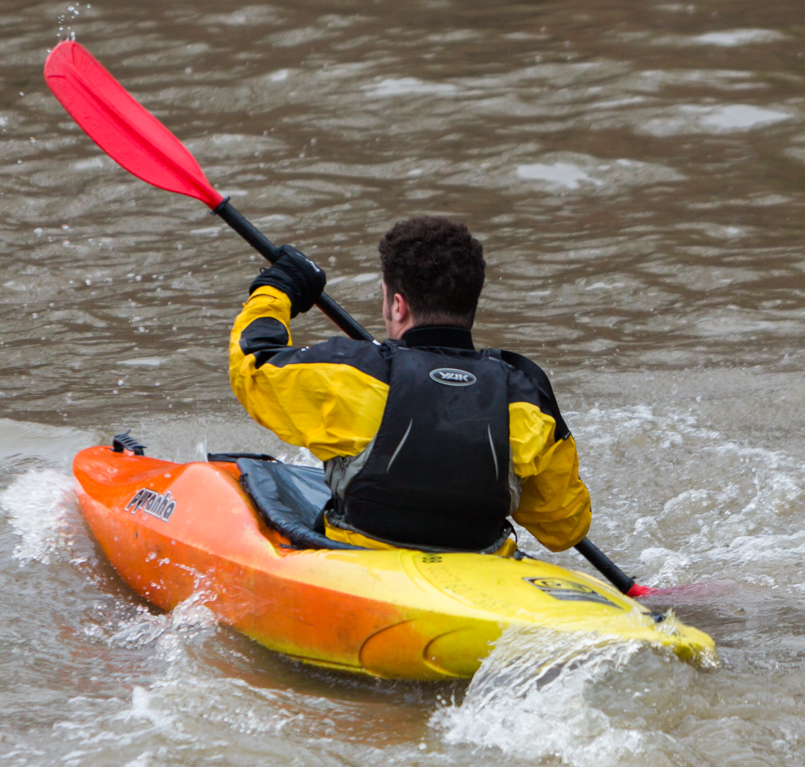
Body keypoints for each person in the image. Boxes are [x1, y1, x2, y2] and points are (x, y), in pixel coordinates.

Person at [227, 215, 591, 555]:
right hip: (480, 568)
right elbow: (564, 529)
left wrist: (278, 287)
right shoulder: (524, 392)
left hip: (362, 565)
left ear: (398, 306)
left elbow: (252, 364)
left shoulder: (351, 374)